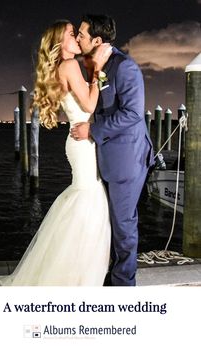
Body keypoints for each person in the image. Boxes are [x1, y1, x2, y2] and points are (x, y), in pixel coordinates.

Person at [0, 20, 112, 286]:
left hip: (79, 139)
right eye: (72, 34)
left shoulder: (64, 67)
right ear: (60, 43)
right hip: (82, 143)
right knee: (90, 202)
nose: (77, 37)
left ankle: (75, 272)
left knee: (88, 200)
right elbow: (90, 103)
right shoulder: (70, 65)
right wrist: (98, 70)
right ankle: (77, 276)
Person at [71, 14, 154, 286]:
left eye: (81, 34)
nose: (77, 38)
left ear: (97, 40)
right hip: (109, 157)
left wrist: (92, 130)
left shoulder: (124, 66)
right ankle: (110, 273)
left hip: (127, 159)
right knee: (109, 222)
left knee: (123, 225)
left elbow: (132, 113)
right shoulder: (95, 64)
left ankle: (123, 285)